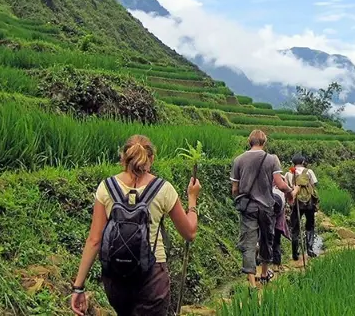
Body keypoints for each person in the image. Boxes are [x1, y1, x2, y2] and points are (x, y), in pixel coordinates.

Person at [70, 135, 201, 316]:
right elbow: (190, 232)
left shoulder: (106, 188)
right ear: (151, 159)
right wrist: (192, 200)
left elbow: (94, 240)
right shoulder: (163, 189)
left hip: (116, 278)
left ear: (122, 158)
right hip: (152, 276)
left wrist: (78, 287)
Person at [231, 130, 296, 287]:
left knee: (249, 243)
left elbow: (234, 189)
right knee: (266, 239)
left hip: (248, 208)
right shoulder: (272, 159)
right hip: (267, 207)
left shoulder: (238, 160)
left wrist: (240, 200)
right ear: (264, 142)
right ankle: (265, 274)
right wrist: (289, 193)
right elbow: (279, 184)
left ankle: (252, 283)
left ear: (249, 141)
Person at [284, 154, 319, 260]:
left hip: (296, 203)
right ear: (303, 162)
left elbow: (287, 188)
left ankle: (295, 254)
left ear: (293, 163)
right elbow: (314, 185)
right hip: (309, 203)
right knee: (310, 225)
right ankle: (310, 249)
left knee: (295, 228)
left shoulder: (289, 173)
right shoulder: (309, 172)